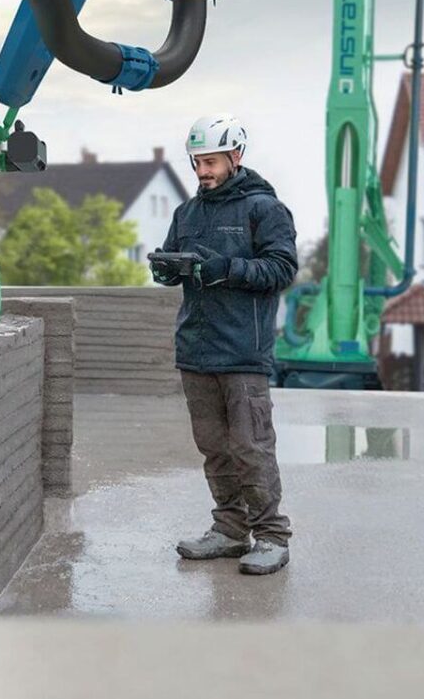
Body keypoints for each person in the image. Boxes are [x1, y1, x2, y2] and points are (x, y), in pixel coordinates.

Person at [150, 114, 298, 575]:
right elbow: (179, 260)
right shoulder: (187, 213)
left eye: (211, 161)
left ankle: (271, 535)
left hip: (242, 353)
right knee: (214, 447)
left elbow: (281, 271)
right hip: (196, 350)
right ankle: (231, 530)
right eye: (197, 162)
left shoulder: (264, 210)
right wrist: (166, 268)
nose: (203, 172)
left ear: (236, 156)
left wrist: (225, 268)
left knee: (250, 446)